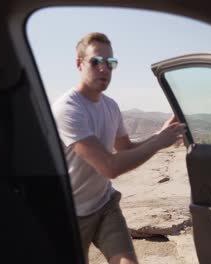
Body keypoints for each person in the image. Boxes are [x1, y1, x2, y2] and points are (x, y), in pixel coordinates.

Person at [52, 32, 186, 264]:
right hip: (70, 214)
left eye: (110, 63)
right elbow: (109, 167)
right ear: (79, 64)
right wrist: (158, 142)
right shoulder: (68, 109)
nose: (104, 69)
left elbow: (125, 149)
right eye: (96, 61)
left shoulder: (110, 106)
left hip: (104, 205)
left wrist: (160, 134)